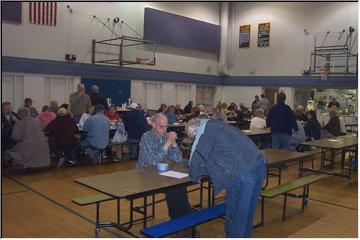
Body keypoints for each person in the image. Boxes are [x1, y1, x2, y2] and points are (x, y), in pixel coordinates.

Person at [185, 118, 267, 237]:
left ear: (195, 131)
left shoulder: (207, 130)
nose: (194, 140)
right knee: (246, 215)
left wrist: (194, 176)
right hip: (258, 166)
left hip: (243, 174)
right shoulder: (218, 125)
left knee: (235, 218)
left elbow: (198, 155)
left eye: (193, 137)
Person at [137, 113, 193, 223]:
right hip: (146, 174)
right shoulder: (146, 137)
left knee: (180, 185)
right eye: (161, 126)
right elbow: (152, 162)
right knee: (172, 189)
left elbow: (177, 158)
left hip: (161, 173)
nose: (164, 129)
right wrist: (167, 142)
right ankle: (177, 222)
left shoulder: (165, 136)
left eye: (166, 126)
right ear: (153, 125)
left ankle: (186, 220)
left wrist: (173, 143)